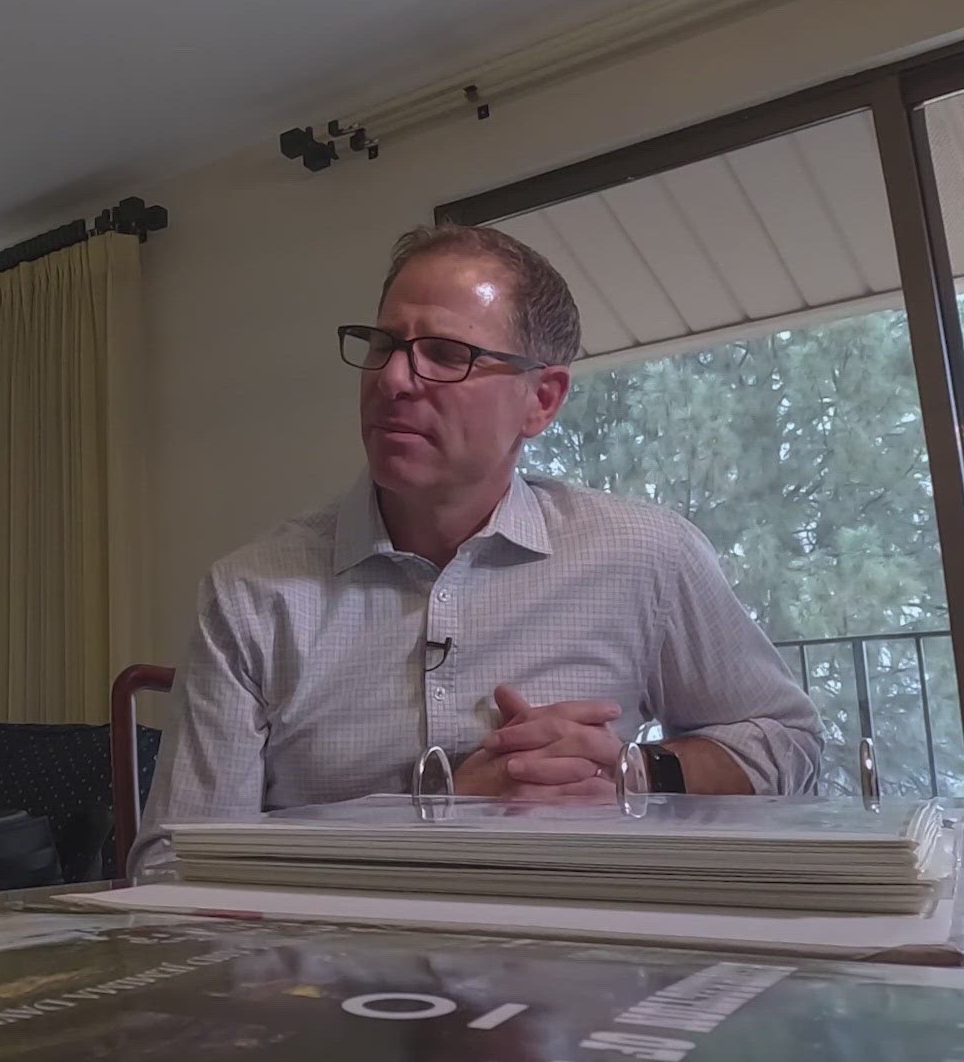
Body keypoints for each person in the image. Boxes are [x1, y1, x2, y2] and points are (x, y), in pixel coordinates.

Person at [132, 224, 821, 873]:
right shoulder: (253, 593)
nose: (395, 381)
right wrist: (437, 814)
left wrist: (633, 773)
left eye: (446, 355)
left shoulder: (643, 554)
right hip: (335, 980)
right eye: (383, 345)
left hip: (583, 973)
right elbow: (172, 868)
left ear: (541, 401)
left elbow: (790, 745)